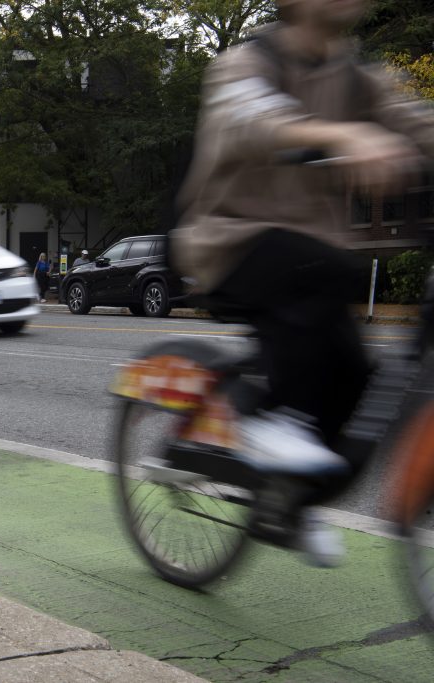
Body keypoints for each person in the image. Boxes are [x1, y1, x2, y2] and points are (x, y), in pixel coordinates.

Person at [169, 0, 434, 566]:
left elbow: (418, 122)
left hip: (314, 255)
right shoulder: (245, 62)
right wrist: (340, 136)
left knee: (357, 380)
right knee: (325, 267)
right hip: (231, 241)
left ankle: (288, 503)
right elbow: (249, 118)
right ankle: (266, 421)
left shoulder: (361, 79)